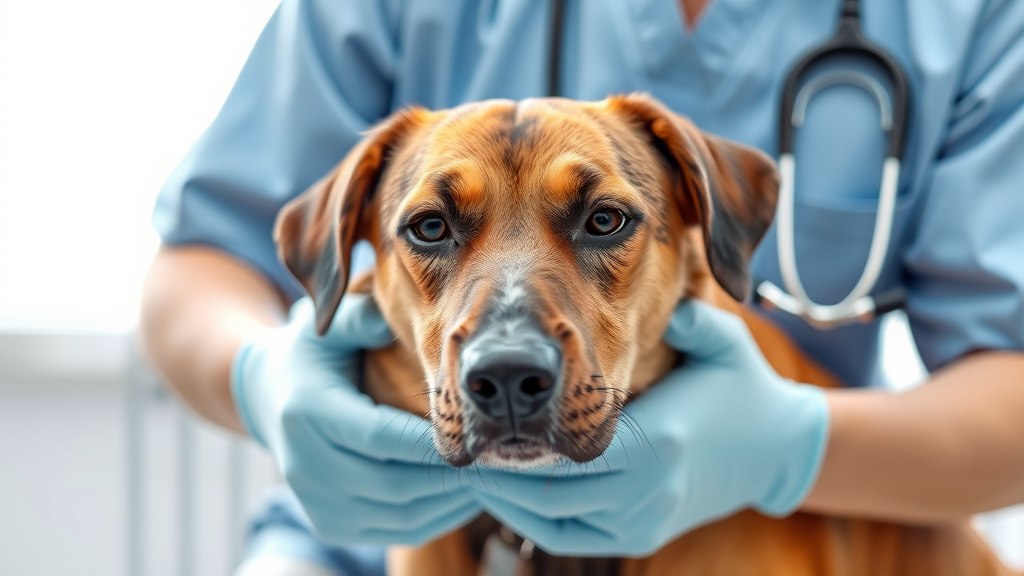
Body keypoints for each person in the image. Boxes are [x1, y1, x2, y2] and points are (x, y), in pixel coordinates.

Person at [140, 0, 1024, 574]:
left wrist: (788, 448)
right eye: (431, 229)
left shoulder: (971, 18)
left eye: (603, 222)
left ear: (698, 231)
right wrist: (263, 380)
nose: (510, 355)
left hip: (779, 504)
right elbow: (199, 262)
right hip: (372, 536)